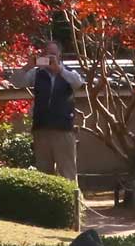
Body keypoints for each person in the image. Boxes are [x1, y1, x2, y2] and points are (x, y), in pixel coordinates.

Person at [11, 40, 83, 182]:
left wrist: (59, 70)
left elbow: (78, 83)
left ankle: (70, 203)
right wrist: (27, 66)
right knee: (44, 174)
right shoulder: (36, 73)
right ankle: (47, 203)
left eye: (54, 54)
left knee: (67, 172)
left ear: (60, 55)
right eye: (48, 54)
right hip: (41, 128)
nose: (50, 58)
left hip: (63, 129)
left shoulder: (68, 72)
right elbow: (15, 82)